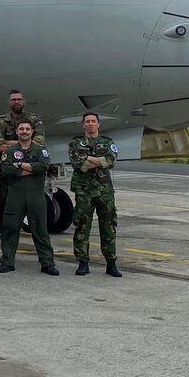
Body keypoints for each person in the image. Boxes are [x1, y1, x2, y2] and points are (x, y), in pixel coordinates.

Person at [0, 121, 58, 275]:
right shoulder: (9, 151)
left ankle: (47, 263)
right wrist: (31, 168)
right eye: (21, 129)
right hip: (15, 196)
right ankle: (7, 261)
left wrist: (19, 165)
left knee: (41, 230)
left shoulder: (40, 150)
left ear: (32, 132)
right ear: (17, 132)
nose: (24, 131)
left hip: (35, 196)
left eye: (27, 129)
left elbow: (44, 166)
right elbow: (7, 169)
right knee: (10, 229)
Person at [68, 112, 121, 277]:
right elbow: (78, 163)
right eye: (87, 121)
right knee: (82, 226)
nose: (90, 124)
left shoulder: (108, 142)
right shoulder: (76, 143)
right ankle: (83, 263)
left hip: (104, 191)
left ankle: (111, 263)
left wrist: (89, 158)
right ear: (83, 125)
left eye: (93, 121)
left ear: (98, 124)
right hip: (84, 191)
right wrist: (100, 161)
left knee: (109, 226)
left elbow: (111, 161)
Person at [0, 90, 46, 231]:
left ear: (24, 101)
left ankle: (37, 233)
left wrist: (8, 144)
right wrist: (25, 142)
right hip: (8, 171)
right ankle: (5, 235)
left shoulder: (33, 118)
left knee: (33, 204)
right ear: (9, 102)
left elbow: (40, 143)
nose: (17, 102)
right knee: (6, 203)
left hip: (31, 170)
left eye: (19, 99)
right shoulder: (1, 120)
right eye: (14, 100)